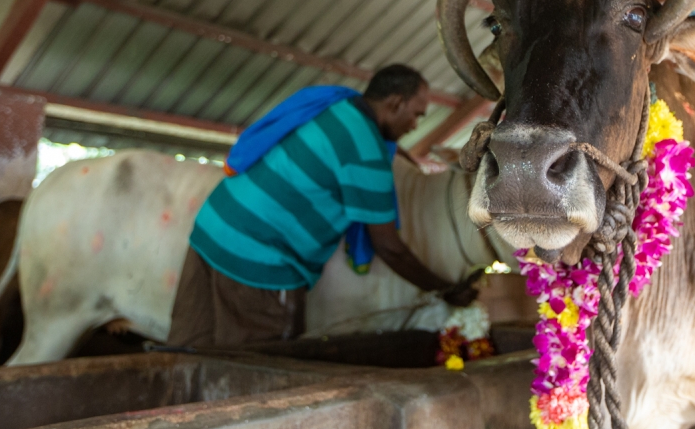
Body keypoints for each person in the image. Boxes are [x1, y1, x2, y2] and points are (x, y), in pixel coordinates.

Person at [168, 64, 477, 350]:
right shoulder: (365, 152)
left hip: (212, 228)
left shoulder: (337, 107)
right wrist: (446, 288)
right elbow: (388, 246)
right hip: (258, 260)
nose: (414, 125)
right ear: (395, 103)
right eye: (417, 114)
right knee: (262, 371)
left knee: (189, 352)